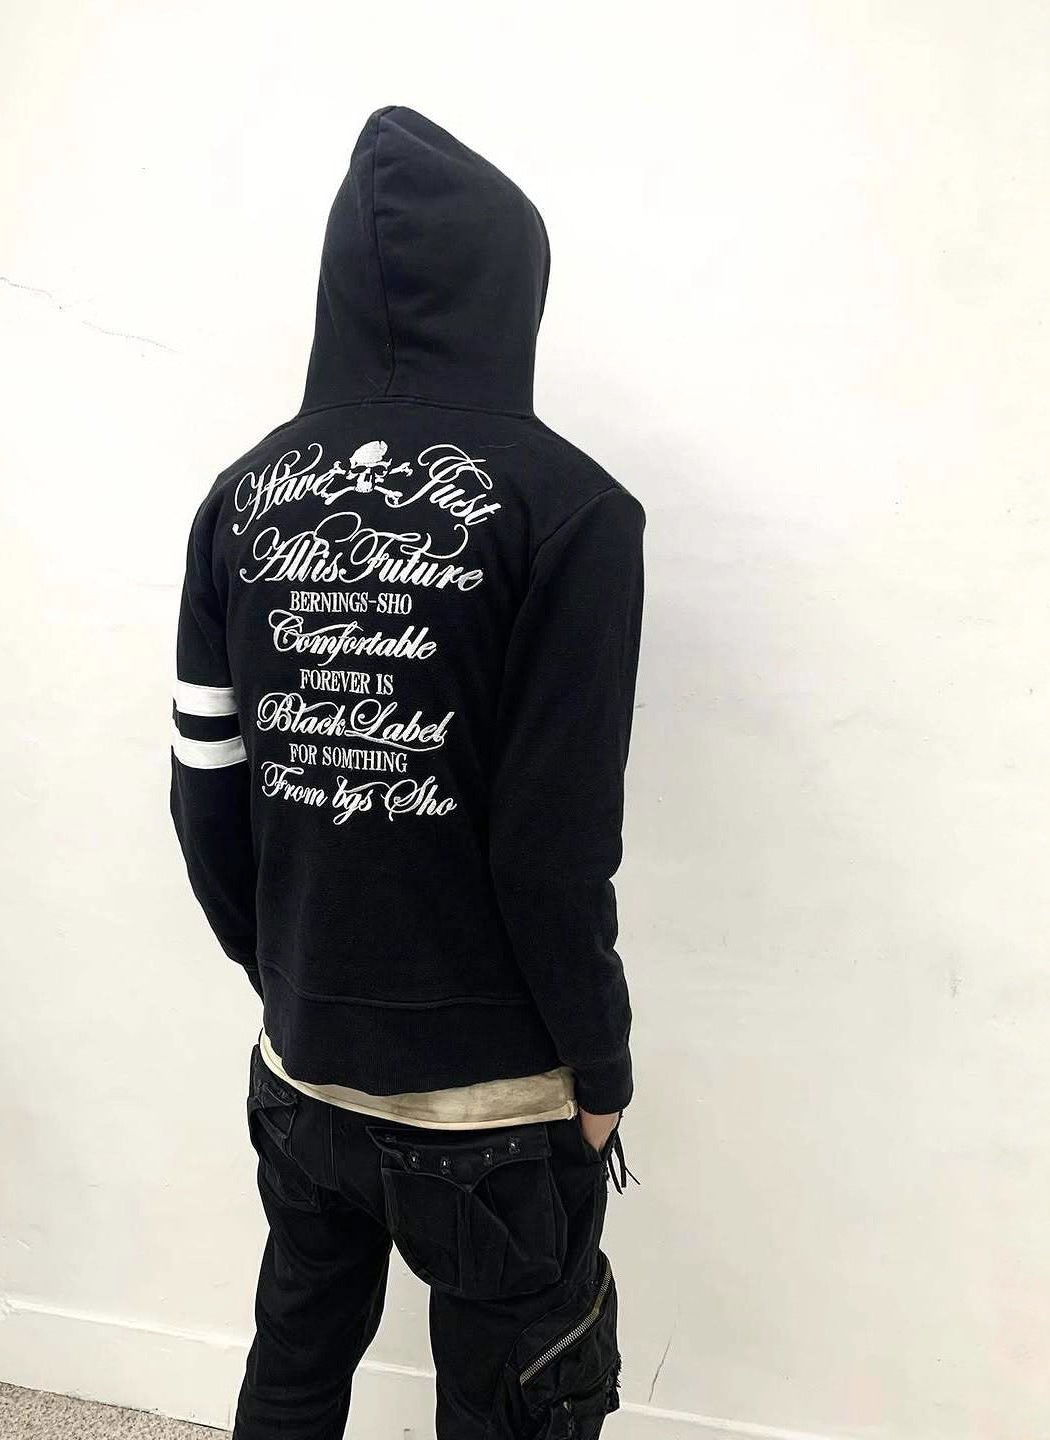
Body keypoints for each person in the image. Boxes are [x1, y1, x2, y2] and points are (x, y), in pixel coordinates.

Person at [170, 105, 645, 1440]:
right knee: (512, 1403)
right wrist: (601, 1070)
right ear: (513, 287)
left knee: (293, 1368)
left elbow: (205, 788)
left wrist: (289, 977)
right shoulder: (572, 512)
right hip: (494, 1100)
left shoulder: (237, 500)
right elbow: (551, 847)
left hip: (302, 1071)